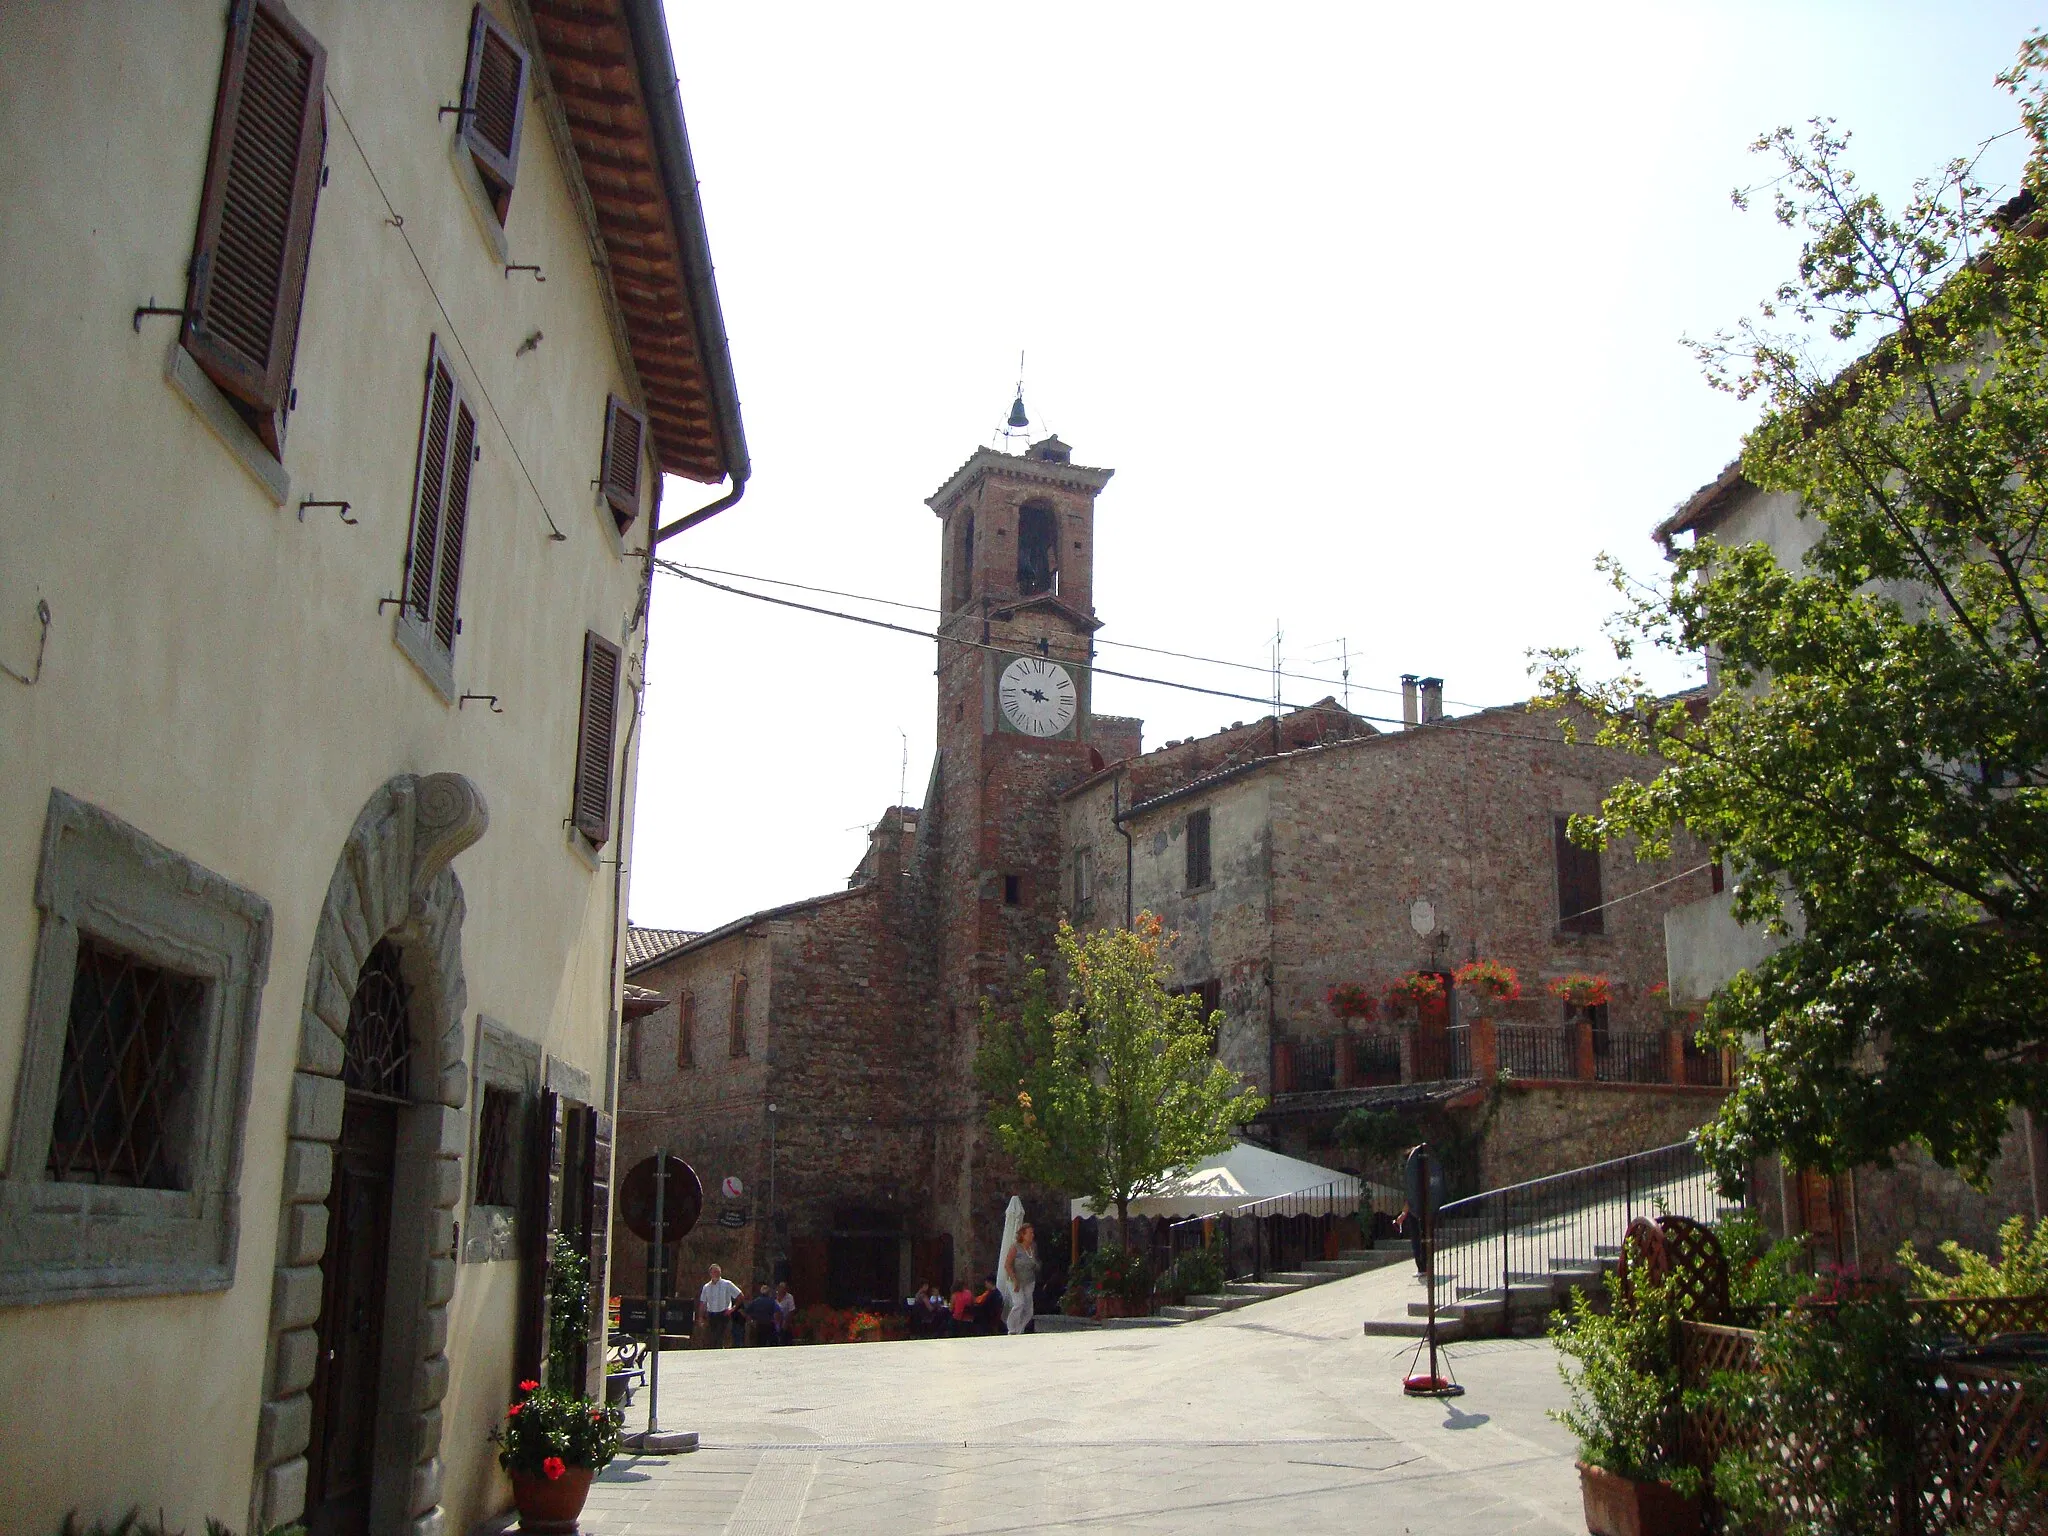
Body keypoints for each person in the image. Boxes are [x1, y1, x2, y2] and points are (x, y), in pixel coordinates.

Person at [1003, 1222, 1039, 1335]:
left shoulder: (1033, 1247)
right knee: (1019, 1303)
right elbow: (1007, 1265)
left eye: (1032, 1233)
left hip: (1029, 1280)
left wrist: (1036, 1265)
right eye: (1030, 1233)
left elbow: (1034, 1262)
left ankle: (1020, 1329)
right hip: (1015, 1280)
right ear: (1023, 1235)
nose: (1032, 1235)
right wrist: (1014, 1280)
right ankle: (1011, 1328)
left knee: (1029, 1310)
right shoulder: (1015, 1247)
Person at [697, 1263, 742, 1348]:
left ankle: (720, 1351)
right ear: (710, 1273)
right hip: (711, 1314)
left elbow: (740, 1296)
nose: (716, 1274)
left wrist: (732, 1308)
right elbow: (702, 1302)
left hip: (723, 1313)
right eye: (714, 1272)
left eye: (718, 1272)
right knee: (712, 1337)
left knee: (720, 1335)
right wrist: (700, 1317)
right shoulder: (706, 1287)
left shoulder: (727, 1284)